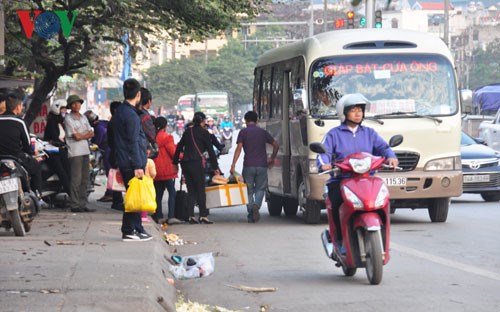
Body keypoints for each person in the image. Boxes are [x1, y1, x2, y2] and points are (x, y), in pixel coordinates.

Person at [316, 93, 398, 249]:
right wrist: (324, 164)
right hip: (342, 179)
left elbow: (384, 148)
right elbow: (323, 153)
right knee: (336, 202)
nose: (358, 113)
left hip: (368, 179)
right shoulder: (334, 134)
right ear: (344, 113)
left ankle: (382, 239)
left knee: (384, 201)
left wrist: (391, 157)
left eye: (360, 110)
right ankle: (339, 240)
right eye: (353, 110)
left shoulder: (369, 133)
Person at [111, 78, 151, 242]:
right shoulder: (131, 116)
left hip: (123, 159)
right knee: (133, 197)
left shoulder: (119, 112)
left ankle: (137, 228)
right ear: (139, 94)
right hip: (131, 162)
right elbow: (133, 141)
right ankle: (129, 230)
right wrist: (137, 165)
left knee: (133, 195)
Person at [230, 111, 279, 223]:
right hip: (262, 165)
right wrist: (272, 158)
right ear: (257, 121)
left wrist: (233, 165)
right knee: (260, 189)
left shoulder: (243, 132)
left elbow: (238, 149)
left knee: (248, 190)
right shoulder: (262, 132)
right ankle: (256, 205)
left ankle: (251, 211)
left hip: (248, 165)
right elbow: (276, 145)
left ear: (246, 120)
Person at [173, 111, 220, 224]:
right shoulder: (204, 133)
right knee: (200, 189)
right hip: (197, 164)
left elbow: (179, 146)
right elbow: (210, 150)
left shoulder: (187, 132)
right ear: (203, 121)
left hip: (186, 164)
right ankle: (203, 215)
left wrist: (175, 161)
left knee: (191, 190)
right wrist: (215, 166)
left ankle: (190, 215)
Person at [0, 93, 46, 208]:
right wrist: (31, 153)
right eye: (21, 106)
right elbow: (27, 145)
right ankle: (37, 196)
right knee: (36, 165)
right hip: (16, 158)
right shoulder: (20, 122)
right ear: (17, 107)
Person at [64, 95, 95, 213]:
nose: (77, 105)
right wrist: (84, 135)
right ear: (70, 106)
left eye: (78, 103)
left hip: (85, 151)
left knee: (85, 179)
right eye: (74, 103)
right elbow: (75, 136)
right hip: (75, 152)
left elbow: (91, 133)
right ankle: (75, 204)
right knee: (76, 179)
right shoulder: (68, 119)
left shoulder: (83, 118)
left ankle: (82, 203)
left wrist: (81, 135)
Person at [152, 117, 182, 225]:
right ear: (165, 125)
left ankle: (159, 215)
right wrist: (182, 155)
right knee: (171, 192)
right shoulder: (167, 137)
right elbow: (174, 153)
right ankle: (171, 216)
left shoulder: (152, 137)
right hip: (167, 169)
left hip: (156, 169)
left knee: (158, 193)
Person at [43, 99, 71, 195]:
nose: (65, 111)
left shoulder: (62, 122)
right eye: (63, 109)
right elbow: (54, 138)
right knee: (62, 172)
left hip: (62, 150)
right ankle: (71, 194)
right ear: (57, 108)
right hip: (53, 152)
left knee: (69, 171)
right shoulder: (52, 121)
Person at [84, 110, 112, 202]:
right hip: (108, 149)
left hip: (107, 150)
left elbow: (97, 141)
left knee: (110, 172)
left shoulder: (99, 128)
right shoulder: (103, 123)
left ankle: (110, 193)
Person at [106, 101, 124, 211]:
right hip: (117, 153)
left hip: (115, 152)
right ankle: (117, 201)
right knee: (117, 178)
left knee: (117, 177)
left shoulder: (113, 122)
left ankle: (117, 200)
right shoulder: (115, 123)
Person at [136, 87, 158, 160]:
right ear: (149, 101)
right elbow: (151, 134)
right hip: (142, 150)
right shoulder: (145, 115)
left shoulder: (129, 111)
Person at [141, 149, 157, 223]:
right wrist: (152, 177)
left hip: (138, 182)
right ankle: (144, 216)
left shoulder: (137, 161)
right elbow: (153, 173)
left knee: (139, 199)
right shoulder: (150, 161)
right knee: (146, 200)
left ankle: (137, 214)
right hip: (147, 182)